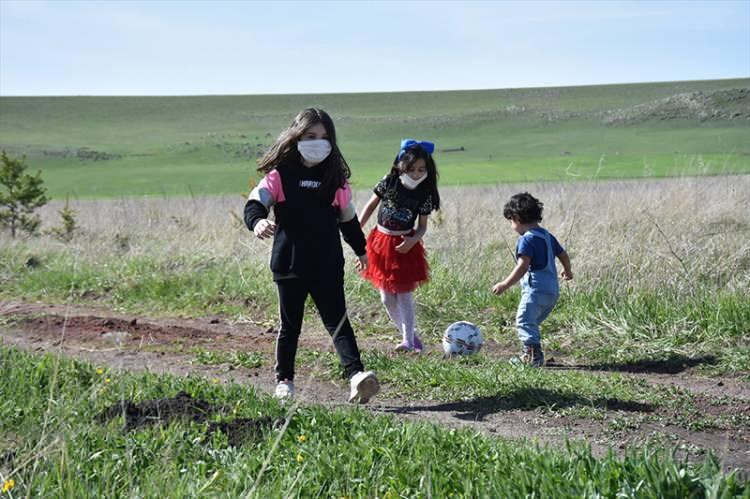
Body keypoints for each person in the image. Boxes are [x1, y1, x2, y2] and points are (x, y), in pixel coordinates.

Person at [243, 108, 379, 403]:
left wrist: (361, 250)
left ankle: (357, 377)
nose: (318, 142)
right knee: (290, 326)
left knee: (338, 321)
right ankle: (284, 381)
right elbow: (255, 203)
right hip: (288, 264)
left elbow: (348, 220)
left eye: (324, 137)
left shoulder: (335, 180)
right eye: (310, 136)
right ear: (296, 137)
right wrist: (258, 222)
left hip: (327, 264)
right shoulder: (279, 176)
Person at [359, 139, 440, 352]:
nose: (416, 174)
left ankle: (407, 341)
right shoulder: (388, 182)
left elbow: (422, 226)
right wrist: (356, 229)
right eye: (411, 169)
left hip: (405, 245)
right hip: (379, 242)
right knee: (386, 297)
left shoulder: (425, 194)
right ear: (400, 165)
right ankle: (410, 335)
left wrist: (413, 240)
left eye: (421, 169)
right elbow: (370, 205)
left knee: (404, 294)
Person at [491, 192, 572, 367]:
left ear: (517, 218)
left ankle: (532, 357)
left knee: (524, 320)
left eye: (511, 221)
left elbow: (522, 266)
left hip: (535, 290)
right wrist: (568, 271)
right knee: (531, 323)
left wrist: (505, 284)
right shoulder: (546, 235)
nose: (511, 226)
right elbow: (563, 254)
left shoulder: (526, 240)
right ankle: (533, 353)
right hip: (552, 291)